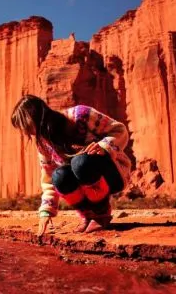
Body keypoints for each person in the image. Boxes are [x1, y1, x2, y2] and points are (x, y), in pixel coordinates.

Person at [11, 94, 131, 235]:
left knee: (79, 162)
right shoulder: (43, 143)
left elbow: (120, 130)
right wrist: (46, 211)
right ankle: (87, 215)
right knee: (59, 175)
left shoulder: (81, 115)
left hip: (114, 173)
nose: (27, 133)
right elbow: (49, 178)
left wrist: (105, 146)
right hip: (86, 178)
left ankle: (101, 212)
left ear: (34, 118)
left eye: (26, 127)